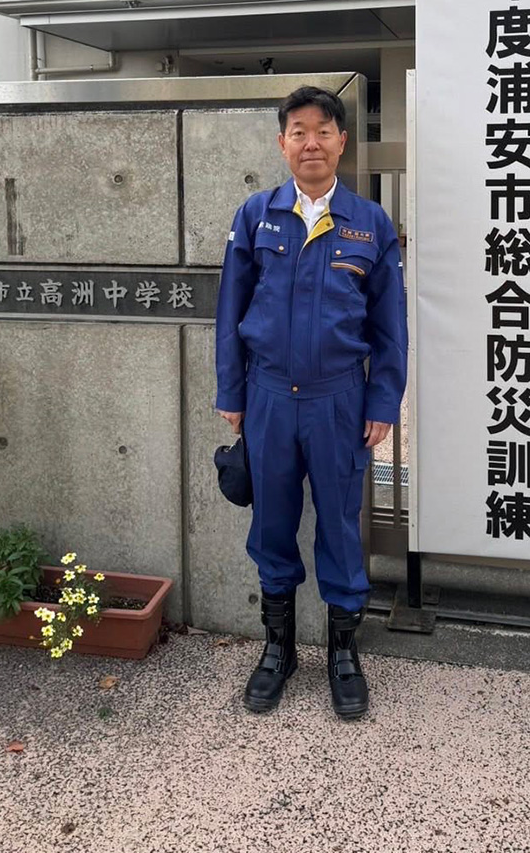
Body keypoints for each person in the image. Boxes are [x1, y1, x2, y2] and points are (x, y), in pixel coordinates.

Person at [215, 84, 408, 719]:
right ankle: (279, 649)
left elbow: (390, 326)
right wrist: (232, 392)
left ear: (342, 141)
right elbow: (230, 310)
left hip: (338, 402)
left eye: (323, 131)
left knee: (340, 526)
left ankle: (343, 653)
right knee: (271, 522)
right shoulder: (256, 216)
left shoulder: (369, 223)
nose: (311, 143)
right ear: (282, 144)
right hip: (268, 398)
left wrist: (383, 401)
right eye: (298, 132)